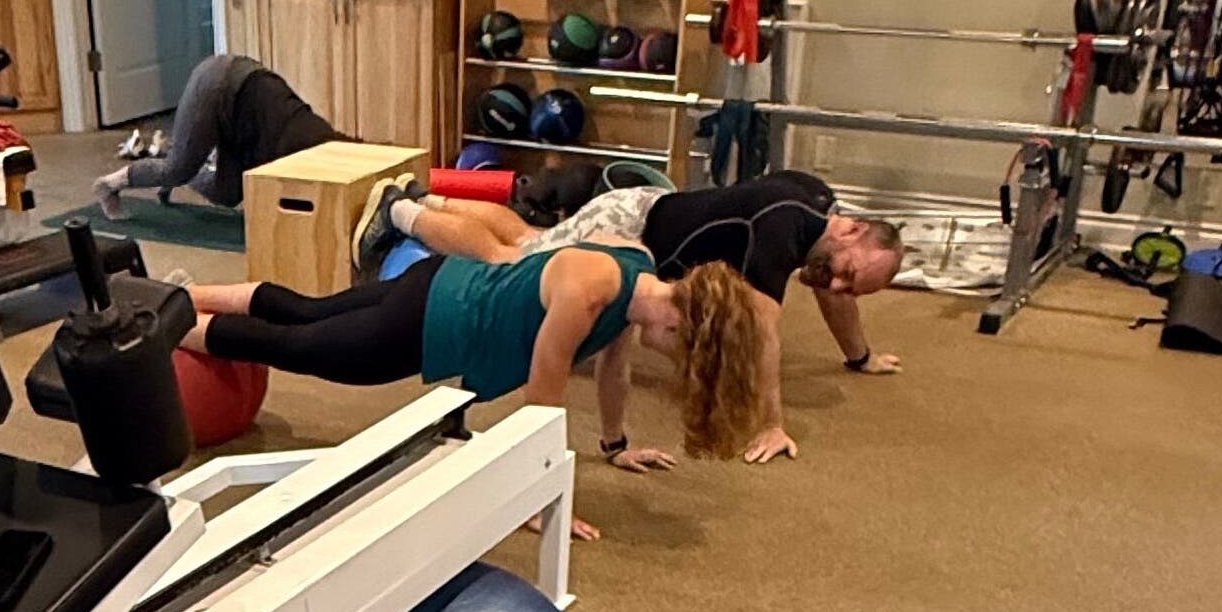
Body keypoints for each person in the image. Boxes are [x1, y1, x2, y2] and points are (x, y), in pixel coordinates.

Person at [181, 241, 762, 539]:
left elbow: (615, 370)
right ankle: (171, 329)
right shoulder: (589, 295)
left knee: (309, 312)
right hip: (431, 323)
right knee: (299, 349)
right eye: (681, 350)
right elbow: (542, 400)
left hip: (440, 278)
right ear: (677, 323)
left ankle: (184, 296)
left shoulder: (636, 275)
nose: (673, 359)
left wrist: (615, 446)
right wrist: (535, 499)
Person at [356, 169, 907, 465]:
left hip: (645, 222)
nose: (838, 286)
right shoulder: (785, 228)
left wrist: (858, 357)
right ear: (853, 228)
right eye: (848, 272)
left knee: (528, 238)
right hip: (632, 223)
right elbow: (761, 330)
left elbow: (838, 296)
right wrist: (770, 422)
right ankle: (400, 212)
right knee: (512, 260)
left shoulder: (819, 207)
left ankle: (426, 199)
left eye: (854, 286)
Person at [94, 54, 343, 217]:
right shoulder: (307, 146)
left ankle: (179, 154)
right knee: (175, 170)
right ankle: (110, 184)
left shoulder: (321, 142)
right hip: (218, 84)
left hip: (244, 110)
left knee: (229, 193)